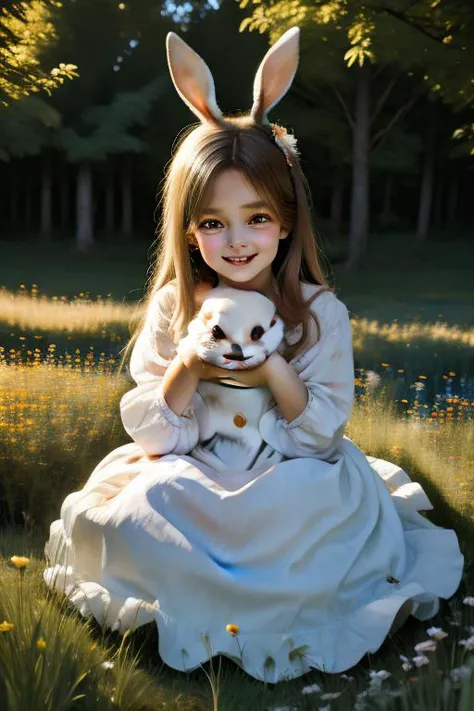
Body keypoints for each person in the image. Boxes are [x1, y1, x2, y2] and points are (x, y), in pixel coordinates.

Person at [43, 27, 463, 683]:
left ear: (288, 218)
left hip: (292, 467)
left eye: (256, 217)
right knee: (155, 498)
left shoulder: (319, 312)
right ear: (189, 229)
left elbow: (321, 434)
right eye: (212, 222)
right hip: (196, 464)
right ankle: (185, 594)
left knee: (307, 510)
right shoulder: (173, 309)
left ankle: (275, 602)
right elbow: (155, 435)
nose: (236, 240)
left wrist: (272, 367)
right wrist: (191, 361)